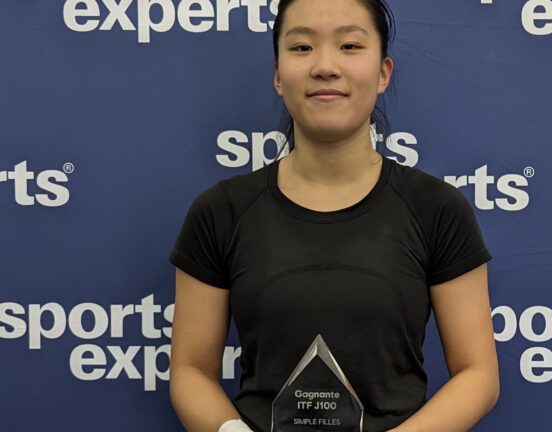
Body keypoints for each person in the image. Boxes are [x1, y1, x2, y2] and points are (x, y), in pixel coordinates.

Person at [168, 0, 499, 431]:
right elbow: (190, 371)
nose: (325, 65)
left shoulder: (436, 209)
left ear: (383, 73)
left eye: (349, 45)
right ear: (277, 75)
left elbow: (479, 375)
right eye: (302, 47)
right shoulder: (220, 212)